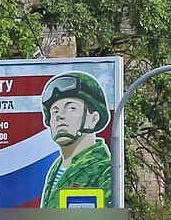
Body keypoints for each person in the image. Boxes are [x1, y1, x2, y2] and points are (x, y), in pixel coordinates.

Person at [38, 71, 114, 209]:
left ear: (93, 119)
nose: (59, 116)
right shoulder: (56, 168)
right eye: (54, 111)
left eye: (71, 108)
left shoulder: (105, 170)